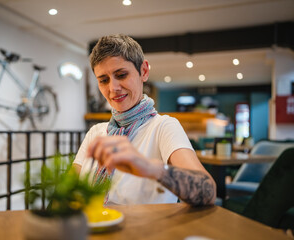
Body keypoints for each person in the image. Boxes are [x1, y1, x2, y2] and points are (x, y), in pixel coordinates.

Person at [73, 34, 216, 206]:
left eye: (122, 75)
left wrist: (150, 168)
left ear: (144, 71)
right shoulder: (95, 133)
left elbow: (207, 191)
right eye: (104, 80)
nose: (113, 88)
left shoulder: (164, 127)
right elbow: (68, 192)